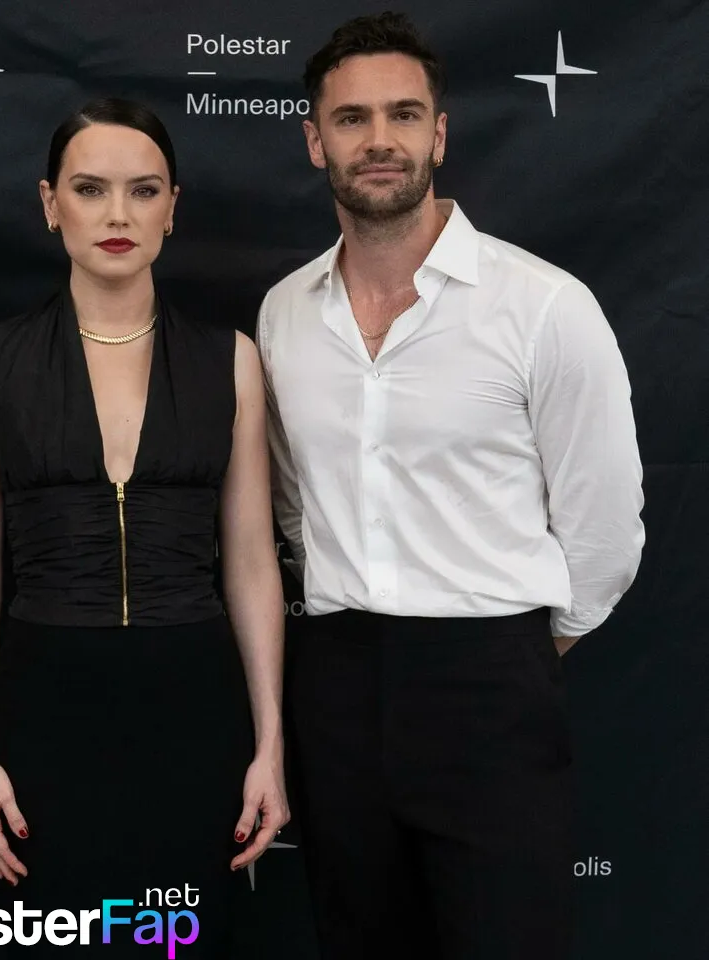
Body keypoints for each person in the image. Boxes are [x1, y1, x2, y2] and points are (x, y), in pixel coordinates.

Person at [257, 13, 644, 960]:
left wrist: (507, 656)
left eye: (402, 114)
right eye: (351, 118)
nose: (378, 140)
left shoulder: (545, 307)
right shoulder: (283, 313)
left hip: (492, 686)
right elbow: (292, 505)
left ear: (439, 133)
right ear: (314, 141)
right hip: (337, 687)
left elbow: (604, 534)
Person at [0, 97, 288, 956]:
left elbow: (252, 562)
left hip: (194, 709)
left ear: (173, 207)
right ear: (50, 203)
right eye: (90, 189)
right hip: (44, 709)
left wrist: (270, 743)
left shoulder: (231, 360)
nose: (118, 215)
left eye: (143, 191)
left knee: (181, 940)